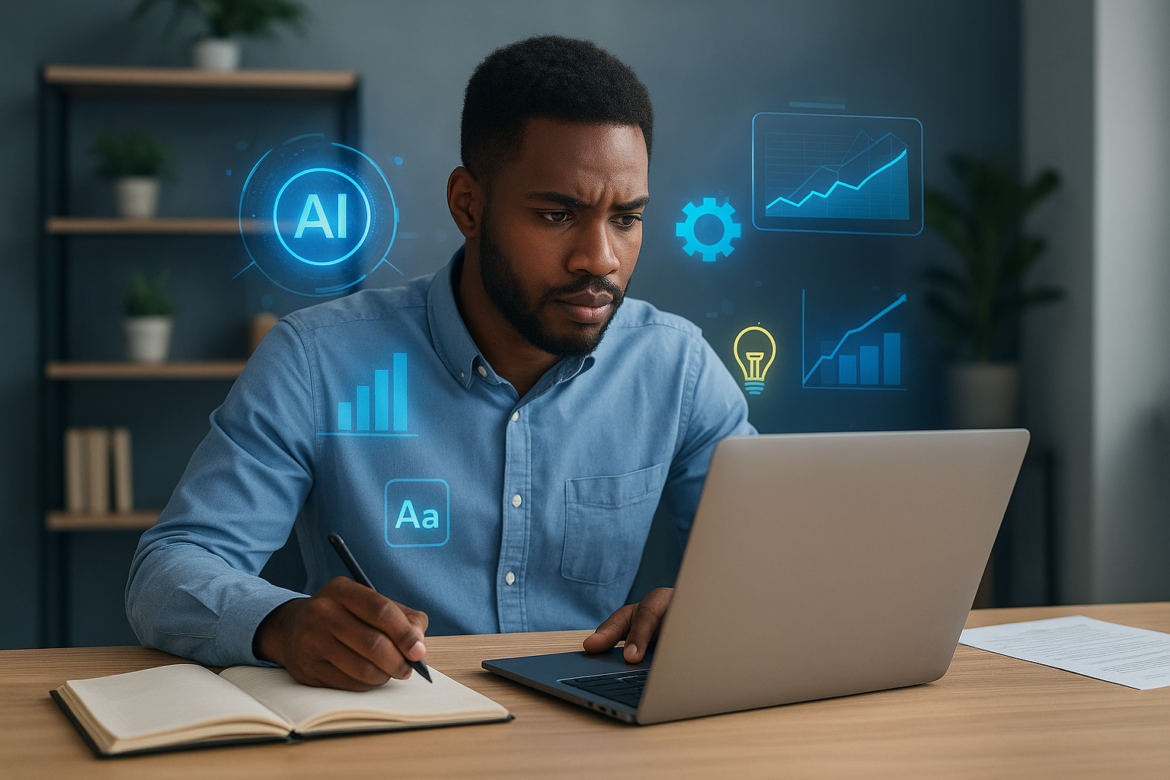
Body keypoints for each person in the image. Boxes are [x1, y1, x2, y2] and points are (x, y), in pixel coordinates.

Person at [126, 35, 754, 691]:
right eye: (556, 214)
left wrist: (719, 610)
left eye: (625, 218)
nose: (599, 258)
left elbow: (779, 562)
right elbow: (171, 567)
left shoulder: (675, 366)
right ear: (468, 205)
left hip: (592, 736)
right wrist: (282, 624)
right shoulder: (319, 360)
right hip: (392, 733)